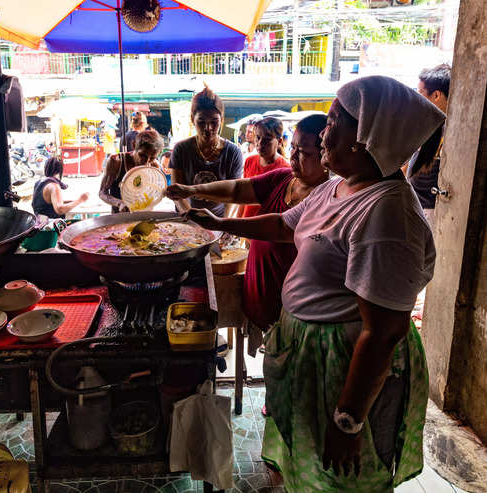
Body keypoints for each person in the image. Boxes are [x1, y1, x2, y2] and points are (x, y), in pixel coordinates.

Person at [184, 76, 444, 492]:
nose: (324, 132)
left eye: (336, 121)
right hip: (312, 353)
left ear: (368, 137)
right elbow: (286, 224)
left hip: (343, 366)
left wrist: (348, 419)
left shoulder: (386, 214)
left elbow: (383, 332)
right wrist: (218, 224)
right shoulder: (340, 186)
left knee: (342, 476)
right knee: (309, 464)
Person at [167, 114, 329, 343]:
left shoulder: (327, 197)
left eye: (303, 152)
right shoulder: (284, 178)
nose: (292, 155)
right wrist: (192, 190)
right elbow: (236, 189)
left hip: (297, 310)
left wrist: (219, 224)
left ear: (327, 156)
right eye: (292, 147)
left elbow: (279, 227)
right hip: (261, 296)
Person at [169, 87, 243, 218]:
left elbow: (235, 194)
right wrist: (192, 219)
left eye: (214, 122)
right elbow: (178, 195)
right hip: (188, 219)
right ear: (192, 119)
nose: (208, 128)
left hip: (220, 218)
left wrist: (224, 223)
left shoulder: (233, 152)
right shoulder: (181, 150)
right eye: (201, 122)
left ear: (222, 119)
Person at [408, 63, 450, 226]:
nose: (417, 99)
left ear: (437, 95)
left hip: (432, 216)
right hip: (417, 209)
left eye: (420, 93)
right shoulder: (431, 126)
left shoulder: (452, 133)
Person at [99, 129, 163, 212]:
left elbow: (155, 191)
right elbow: (102, 193)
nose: (146, 161)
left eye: (152, 158)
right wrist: (119, 203)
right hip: (120, 219)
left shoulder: (154, 166)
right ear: (133, 145)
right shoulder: (117, 161)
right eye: (142, 155)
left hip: (144, 216)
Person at [238, 117, 289, 218]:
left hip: (267, 229)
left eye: (267, 139)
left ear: (279, 142)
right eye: (258, 137)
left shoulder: (286, 169)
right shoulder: (249, 161)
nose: (260, 143)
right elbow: (242, 198)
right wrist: (237, 222)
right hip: (245, 226)